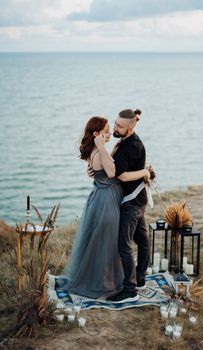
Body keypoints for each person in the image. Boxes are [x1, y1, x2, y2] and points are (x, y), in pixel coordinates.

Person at [64, 116, 150, 299]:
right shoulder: (99, 150)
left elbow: (103, 169)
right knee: (108, 243)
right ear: (96, 135)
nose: (110, 132)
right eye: (106, 131)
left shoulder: (100, 150)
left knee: (109, 241)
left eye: (112, 128)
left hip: (106, 197)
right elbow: (112, 172)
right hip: (107, 200)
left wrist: (99, 160)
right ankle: (111, 283)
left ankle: (134, 279)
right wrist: (146, 172)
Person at [94, 108, 151, 303]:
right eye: (115, 123)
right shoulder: (125, 141)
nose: (115, 127)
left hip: (132, 201)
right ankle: (140, 278)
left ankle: (130, 290)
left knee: (124, 245)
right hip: (136, 198)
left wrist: (144, 172)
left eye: (119, 126)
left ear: (130, 127)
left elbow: (118, 174)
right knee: (142, 239)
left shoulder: (132, 146)